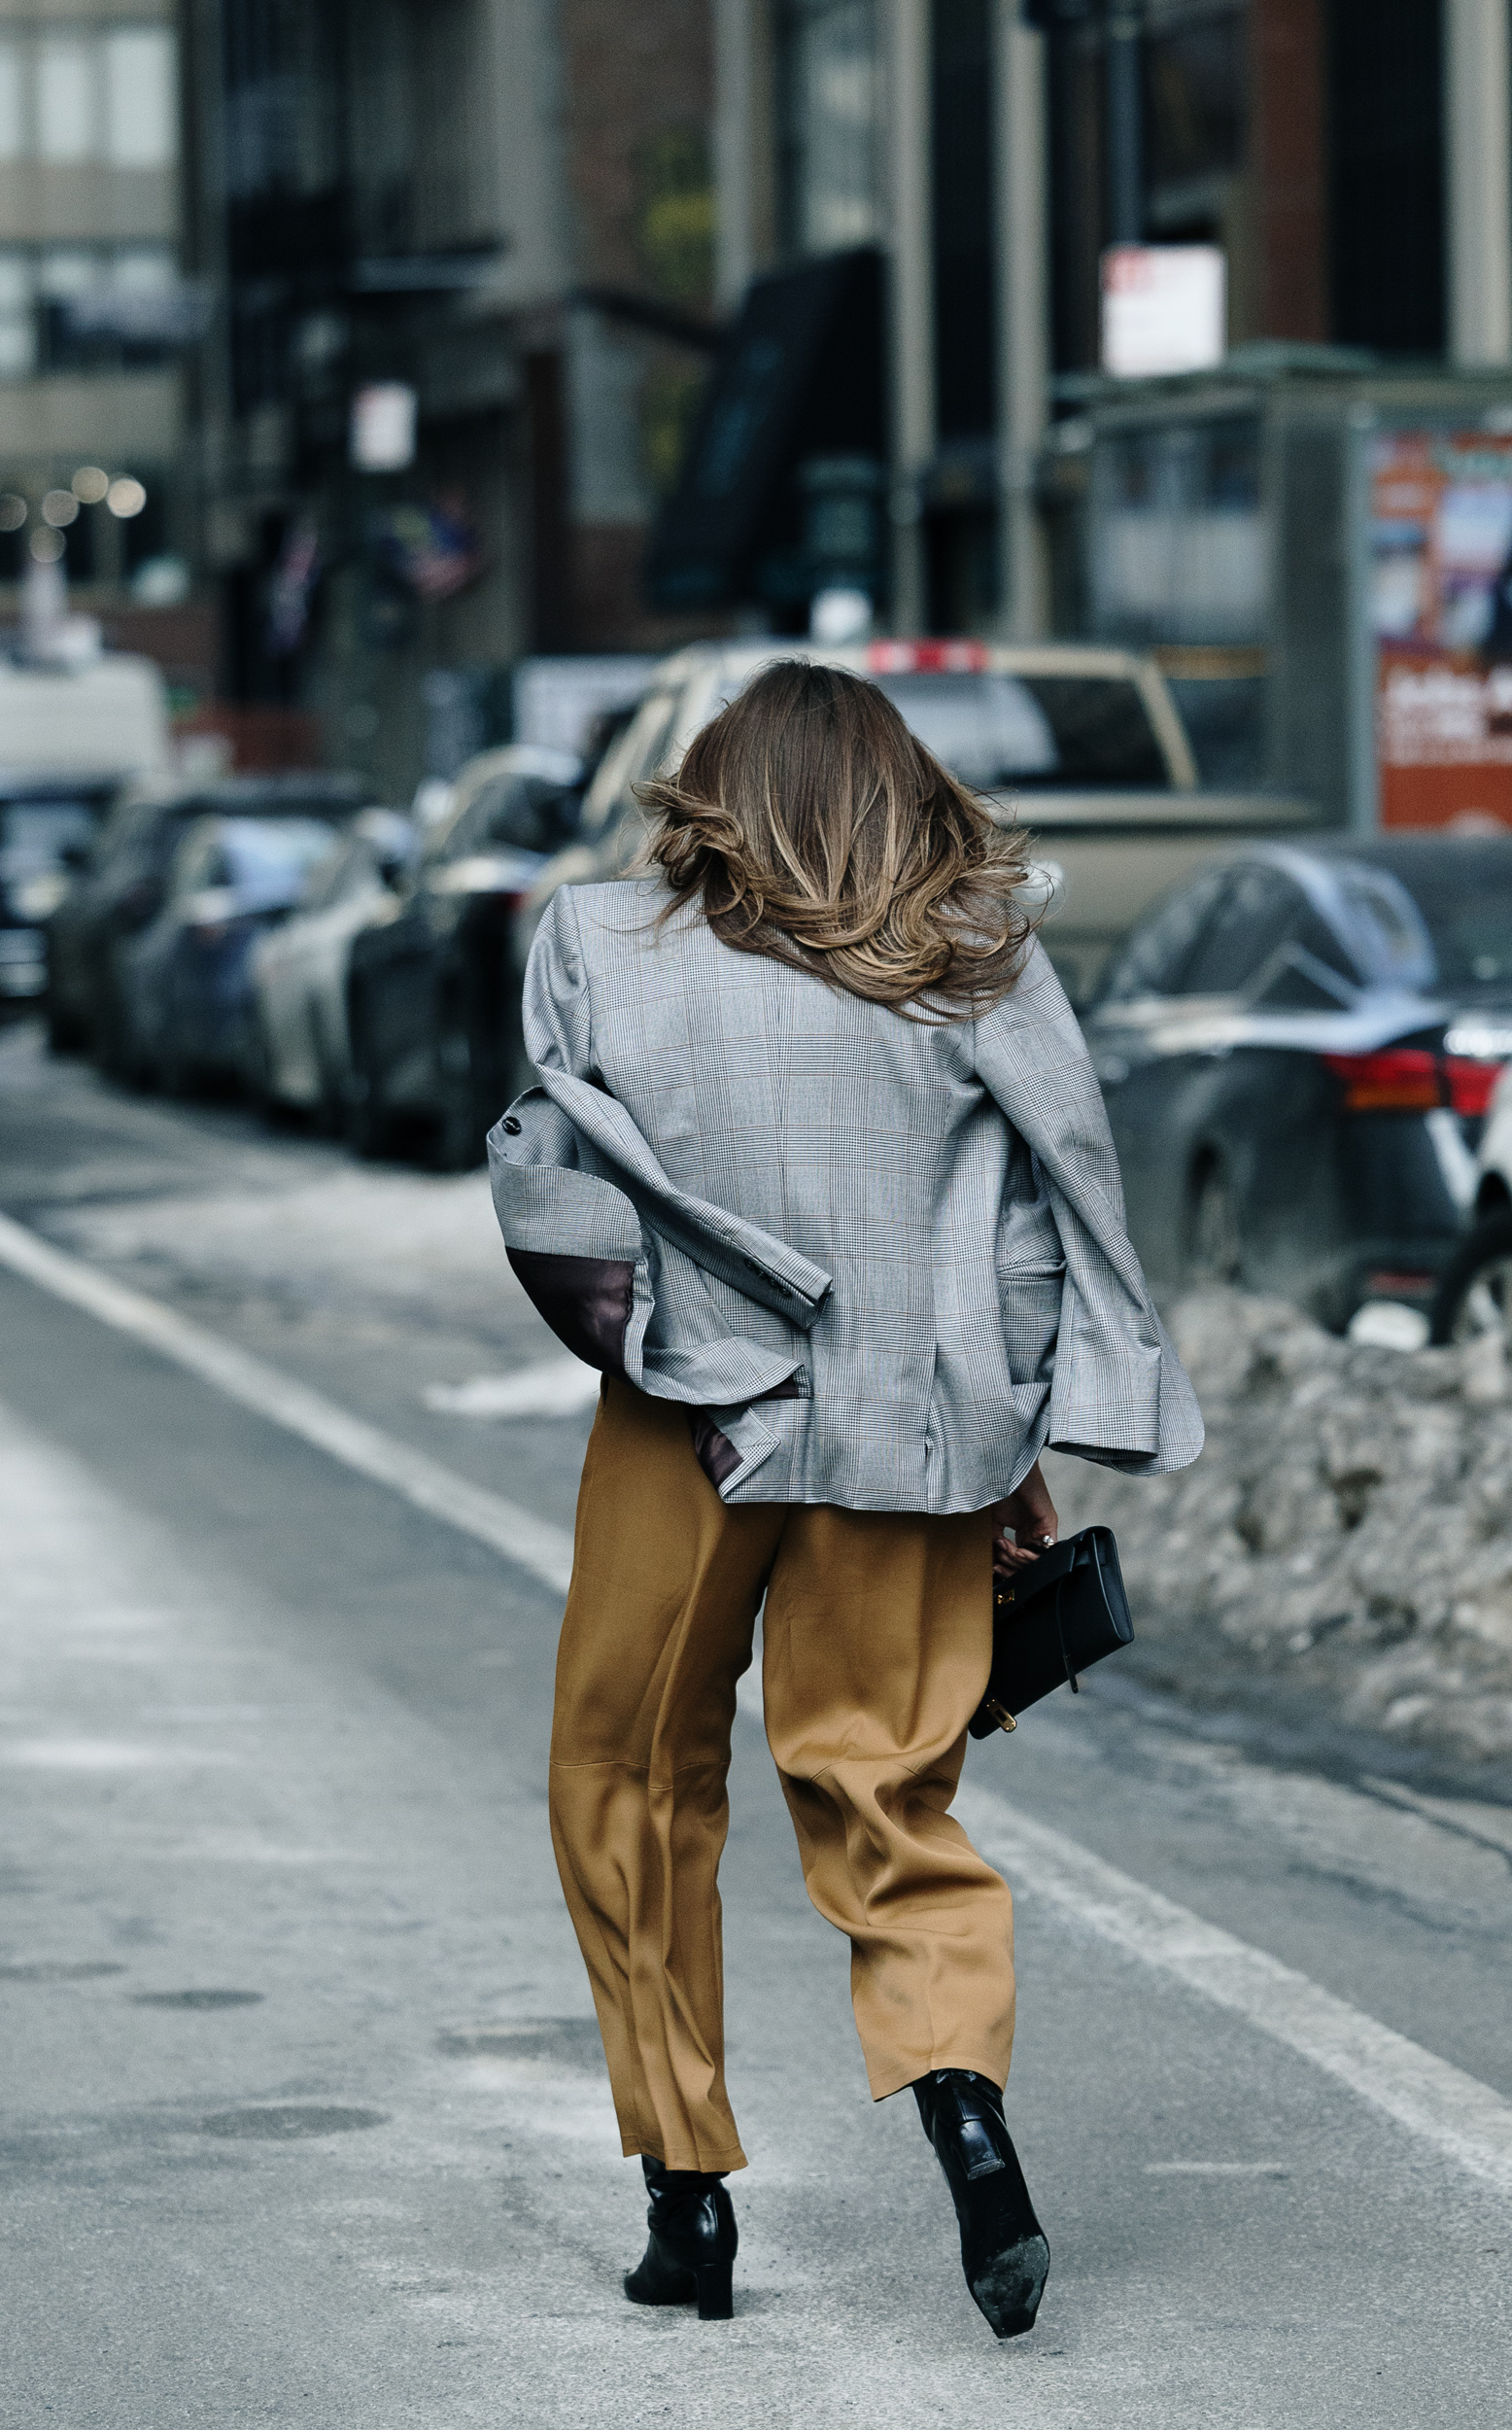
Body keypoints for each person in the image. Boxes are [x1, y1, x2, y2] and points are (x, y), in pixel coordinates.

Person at [488, 659, 1202, 2336]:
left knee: (627, 1773)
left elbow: (550, 1154)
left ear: (712, 789)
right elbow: (1041, 1205)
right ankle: (966, 2118)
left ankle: (688, 2197)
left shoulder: (602, 942)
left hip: (686, 1413)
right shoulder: (973, 965)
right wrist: (1016, 1435)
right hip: (907, 1431)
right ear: (902, 790)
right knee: (888, 1792)